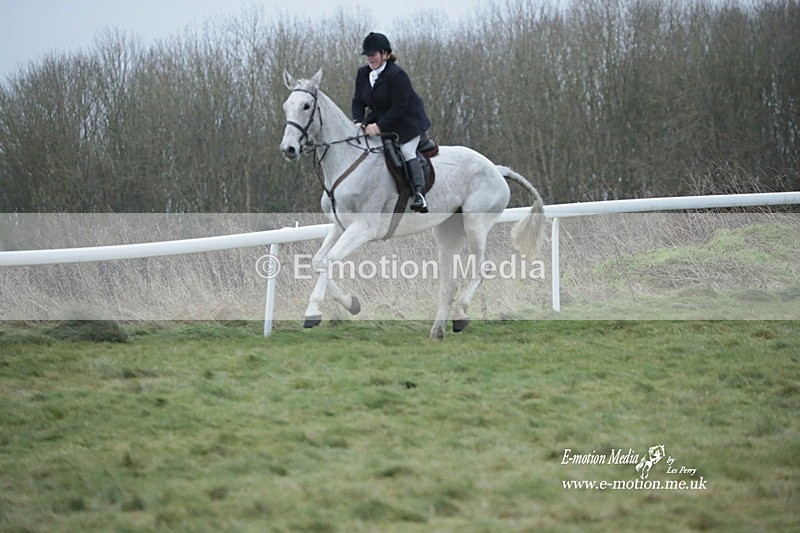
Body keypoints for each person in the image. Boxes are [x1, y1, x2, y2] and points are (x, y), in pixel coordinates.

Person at [352, 32, 431, 213]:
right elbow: (358, 101)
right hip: (380, 120)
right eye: (367, 54)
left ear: (385, 54)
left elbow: (399, 108)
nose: (369, 58)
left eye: (373, 54)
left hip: (407, 123)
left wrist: (378, 127)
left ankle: (419, 195)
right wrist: (357, 121)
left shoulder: (397, 75)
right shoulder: (363, 74)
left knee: (406, 150)